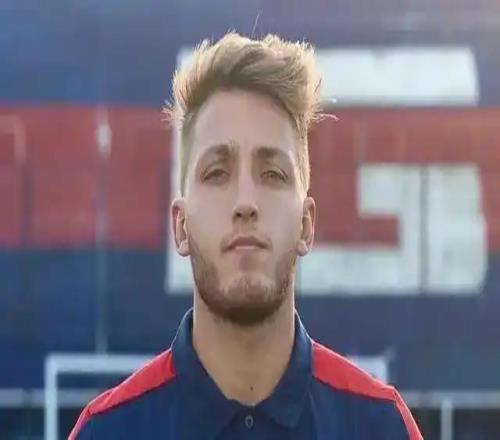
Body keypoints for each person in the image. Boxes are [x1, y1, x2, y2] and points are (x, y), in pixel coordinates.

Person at [69, 32, 422, 439]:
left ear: (306, 224)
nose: (245, 203)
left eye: (272, 173)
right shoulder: (108, 431)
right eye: (217, 173)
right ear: (181, 226)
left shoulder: (379, 425)